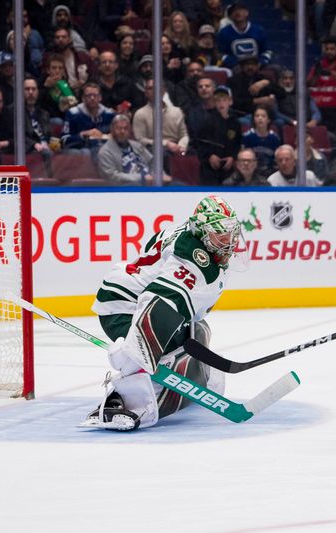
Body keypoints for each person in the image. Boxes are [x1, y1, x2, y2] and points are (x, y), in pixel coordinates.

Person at [86, 195, 241, 430]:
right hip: (122, 308)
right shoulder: (192, 259)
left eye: (230, 233)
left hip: (126, 295)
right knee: (169, 343)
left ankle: (202, 377)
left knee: (198, 331)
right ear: (201, 231)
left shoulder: (189, 233)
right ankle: (125, 401)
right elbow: (157, 302)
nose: (228, 241)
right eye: (220, 235)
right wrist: (135, 353)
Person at [98, 114, 162, 185]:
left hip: (150, 183)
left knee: (175, 184)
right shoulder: (105, 152)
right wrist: (142, 178)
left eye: (126, 128)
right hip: (127, 187)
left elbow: (152, 161)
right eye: (118, 128)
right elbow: (112, 177)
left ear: (130, 130)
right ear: (112, 130)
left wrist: (158, 175)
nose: (122, 131)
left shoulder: (137, 145)